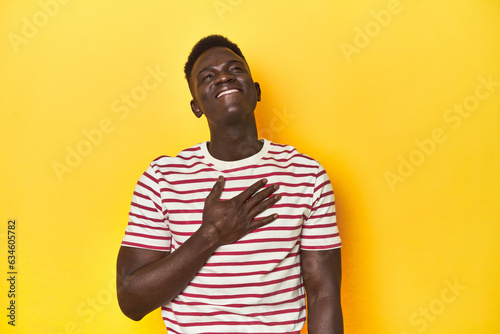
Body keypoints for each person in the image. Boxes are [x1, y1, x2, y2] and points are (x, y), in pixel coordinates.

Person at [116, 34, 343, 333]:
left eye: (235, 69)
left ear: (256, 91)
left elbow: (322, 295)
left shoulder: (307, 175)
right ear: (196, 105)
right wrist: (212, 234)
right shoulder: (162, 178)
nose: (223, 76)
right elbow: (131, 301)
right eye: (207, 76)